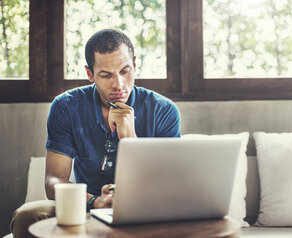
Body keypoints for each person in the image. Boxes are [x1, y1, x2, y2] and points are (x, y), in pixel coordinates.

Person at [10, 29, 180, 238]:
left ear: (135, 64)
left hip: (147, 210)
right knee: (27, 215)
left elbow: (167, 184)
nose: (118, 84)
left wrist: (129, 140)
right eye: (106, 75)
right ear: (90, 74)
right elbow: (54, 180)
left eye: (125, 71)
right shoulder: (66, 106)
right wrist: (94, 201)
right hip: (86, 208)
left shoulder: (163, 110)